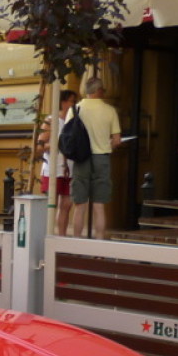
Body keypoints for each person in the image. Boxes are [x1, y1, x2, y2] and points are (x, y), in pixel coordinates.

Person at [70, 78, 121, 239]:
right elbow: (117, 140)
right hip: (101, 158)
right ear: (99, 91)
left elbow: (68, 136)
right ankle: (99, 245)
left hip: (81, 159)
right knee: (99, 206)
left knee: (79, 205)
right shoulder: (109, 110)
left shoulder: (75, 109)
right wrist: (106, 146)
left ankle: (76, 244)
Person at [35, 89, 78, 236]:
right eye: (72, 101)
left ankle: (62, 237)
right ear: (63, 102)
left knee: (66, 204)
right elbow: (39, 147)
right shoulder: (51, 120)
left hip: (70, 168)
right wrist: (55, 145)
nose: (74, 104)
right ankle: (47, 235)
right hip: (53, 168)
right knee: (50, 204)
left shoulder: (75, 121)